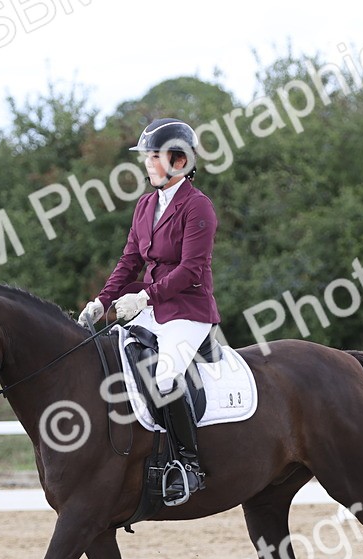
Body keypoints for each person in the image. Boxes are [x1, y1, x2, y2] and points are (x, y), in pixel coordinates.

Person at [78, 118, 220, 505]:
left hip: (188, 310)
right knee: (111, 359)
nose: (147, 163)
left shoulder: (198, 207)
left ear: (179, 159)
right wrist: (103, 301)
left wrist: (144, 298)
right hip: (153, 306)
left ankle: (189, 466)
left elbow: (191, 270)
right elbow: (129, 262)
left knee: (163, 376)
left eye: (153, 156)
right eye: (147, 156)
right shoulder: (145, 205)